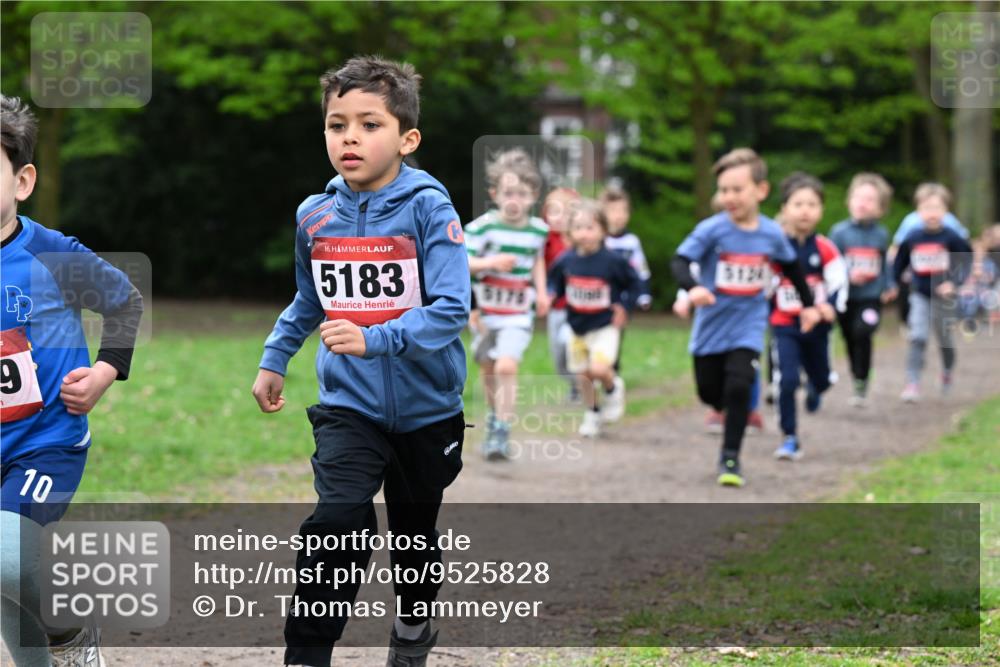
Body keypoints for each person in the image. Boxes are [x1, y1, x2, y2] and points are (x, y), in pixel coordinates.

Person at [250, 56, 470, 667]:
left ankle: (413, 626)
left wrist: (378, 338)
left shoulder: (430, 209)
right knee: (337, 523)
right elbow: (307, 299)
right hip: (349, 405)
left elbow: (452, 309)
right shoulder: (314, 216)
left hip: (428, 408)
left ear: (407, 138)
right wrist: (275, 357)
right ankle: (306, 654)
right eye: (336, 124)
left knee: (414, 539)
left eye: (369, 124)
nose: (349, 137)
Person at [1, 94, 143, 667]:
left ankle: (72, 629)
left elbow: (125, 302)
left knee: (10, 557)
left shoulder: (52, 253)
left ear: (23, 181)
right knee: (6, 578)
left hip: (47, 442)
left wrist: (105, 372)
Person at [671, 148, 820, 487]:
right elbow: (679, 260)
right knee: (711, 392)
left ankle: (731, 456)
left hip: (749, 324)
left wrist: (808, 304)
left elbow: (792, 269)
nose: (729, 197)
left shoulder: (771, 233)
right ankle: (724, 410)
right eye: (723, 190)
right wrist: (693, 288)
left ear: (760, 191)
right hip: (710, 327)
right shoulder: (711, 230)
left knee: (739, 385)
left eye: (737, 189)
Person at [464, 148, 549, 460]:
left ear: (534, 196)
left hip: (517, 312)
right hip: (484, 313)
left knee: (506, 364)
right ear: (495, 193)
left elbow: (536, 259)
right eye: (508, 193)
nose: (515, 200)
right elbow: (459, 262)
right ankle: (493, 416)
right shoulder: (482, 228)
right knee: (488, 369)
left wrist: (541, 292)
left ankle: (502, 427)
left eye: (522, 194)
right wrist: (492, 262)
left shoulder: (538, 230)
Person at [768, 173, 847, 461]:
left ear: (821, 210)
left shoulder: (825, 248)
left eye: (812, 204)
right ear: (785, 208)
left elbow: (839, 282)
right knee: (786, 380)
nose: (805, 210)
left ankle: (817, 387)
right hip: (785, 324)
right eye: (798, 203)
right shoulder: (775, 248)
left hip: (818, 328)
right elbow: (765, 283)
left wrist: (832, 308)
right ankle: (789, 437)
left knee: (823, 379)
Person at [549, 199, 641, 438]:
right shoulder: (565, 261)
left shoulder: (613, 261)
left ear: (603, 230)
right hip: (576, 327)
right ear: (570, 231)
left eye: (590, 227)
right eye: (578, 228)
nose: (584, 234)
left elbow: (635, 283)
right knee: (583, 375)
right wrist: (548, 297)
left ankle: (612, 386)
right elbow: (555, 285)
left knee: (599, 369)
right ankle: (592, 413)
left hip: (604, 326)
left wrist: (625, 307)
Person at [893, 183, 973, 402]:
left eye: (937, 208)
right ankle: (912, 383)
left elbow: (966, 262)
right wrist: (893, 283)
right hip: (919, 295)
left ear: (946, 211)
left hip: (945, 299)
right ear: (918, 211)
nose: (932, 213)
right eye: (927, 207)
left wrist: (954, 284)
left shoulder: (952, 237)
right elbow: (898, 265)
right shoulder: (912, 237)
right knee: (917, 337)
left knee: (945, 340)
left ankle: (947, 371)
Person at [830, 173, 897, 408]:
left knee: (863, 332)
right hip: (846, 298)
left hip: (870, 297)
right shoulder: (839, 232)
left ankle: (863, 380)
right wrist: (847, 276)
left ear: (880, 208)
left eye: (870, 199)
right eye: (858, 197)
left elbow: (885, 264)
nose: (862, 203)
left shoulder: (881, 234)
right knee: (849, 337)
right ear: (849, 201)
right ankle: (856, 377)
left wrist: (889, 285)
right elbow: (831, 264)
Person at [542, 187, 581, 400]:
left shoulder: (582, 241)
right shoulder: (546, 240)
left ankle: (582, 381)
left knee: (569, 343)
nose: (557, 218)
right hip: (555, 306)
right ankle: (572, 382)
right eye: (553, 211)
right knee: (558, 352)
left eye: (564, 212)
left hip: (577, 307)